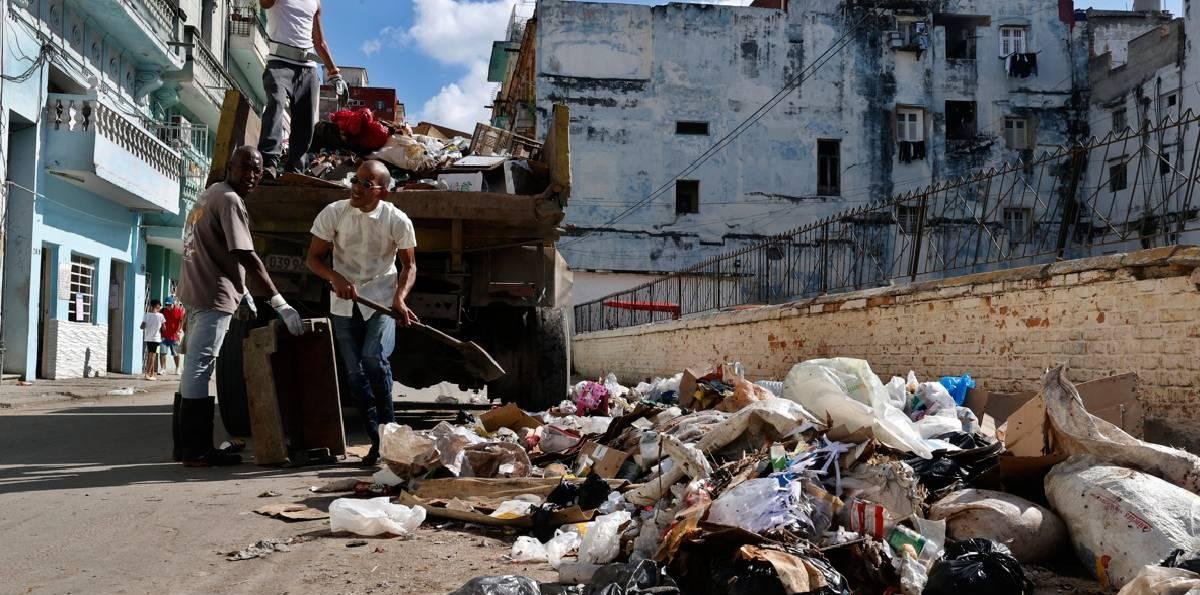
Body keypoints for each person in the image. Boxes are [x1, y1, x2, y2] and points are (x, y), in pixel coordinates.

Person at [174, 145, 304, 467]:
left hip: (196, 290)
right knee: (200, 368)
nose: (251, 175)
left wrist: (243, 288)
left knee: (193, 367)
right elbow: (245, 253)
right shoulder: (230, 200)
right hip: (213, 295)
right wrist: (279, 301)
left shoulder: (210, 194)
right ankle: (197, 451)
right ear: (229, 167)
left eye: (257, 169)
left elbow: (215, 247)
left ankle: (185, 447)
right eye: (245, 167)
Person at [306, 160, 417, 466]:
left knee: (373, 359)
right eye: (355, 180)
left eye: (366, 184)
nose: (356, 187)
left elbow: (409, 265)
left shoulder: (397, 220)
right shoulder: (334, 212)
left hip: (381, 299)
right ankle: (377, 444)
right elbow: (313, 258)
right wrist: (335, 278)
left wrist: (400, 299)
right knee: (355, 375)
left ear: (383, 192)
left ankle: (390, 440)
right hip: (343, 303)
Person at [258, 0, 346, 179]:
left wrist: (334, 73)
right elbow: (265, 4)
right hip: (279, 63)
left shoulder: (315, 3)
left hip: (308, 68)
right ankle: (268, 162)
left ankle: (296, 169)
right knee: (276, 104)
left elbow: (319, 42)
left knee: (305, 122)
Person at [159, 296, 186, 374]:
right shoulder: (163, 311)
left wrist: (180, 330)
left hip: (174, 336)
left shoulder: (179, 311)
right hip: (164, 336)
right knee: (163, 353)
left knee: (176, 354)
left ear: (173, 304)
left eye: (169, 305)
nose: (168, 306)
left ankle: (177, 368)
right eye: (166, 305)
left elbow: (182, 321)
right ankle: (163, 369)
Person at [141, 299, 165, 381]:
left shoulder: (146, 315)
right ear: (158, 307)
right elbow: (164, 328)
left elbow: (142, 326)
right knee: (153, 357)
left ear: (151, 306)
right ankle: (147, 374)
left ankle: (151, 373)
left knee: (150, 355)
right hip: (157, 340)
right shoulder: (161, 316)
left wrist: (149, 325)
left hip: (148, 339)